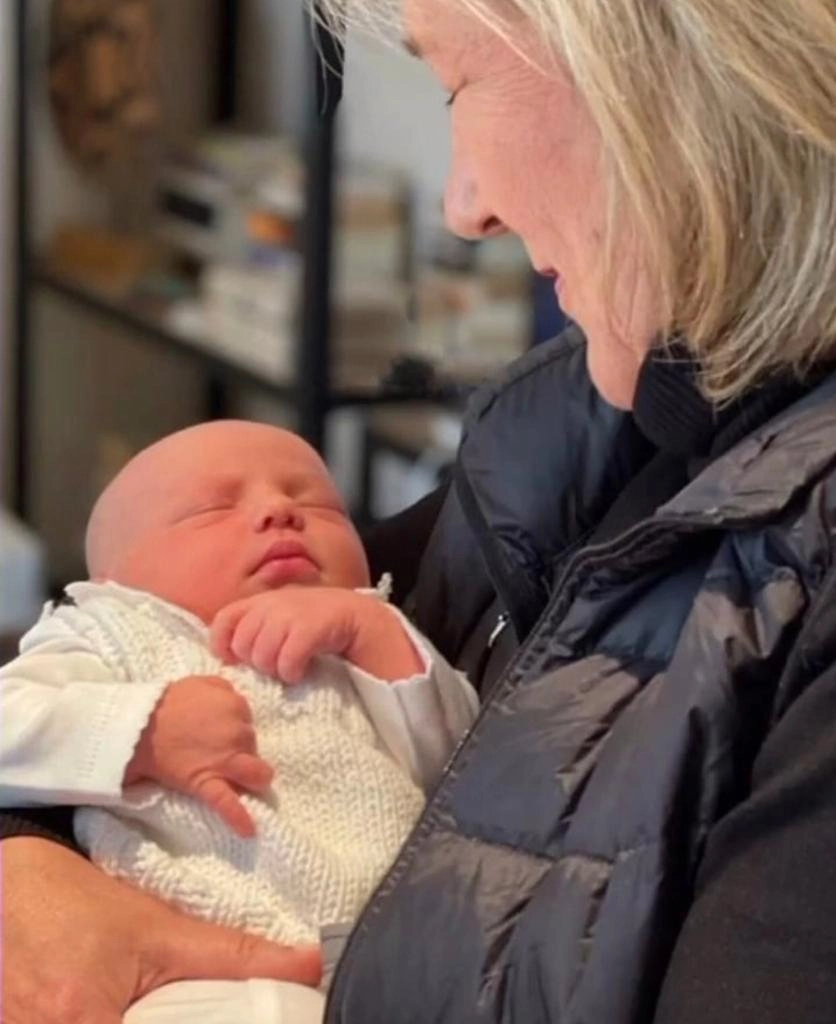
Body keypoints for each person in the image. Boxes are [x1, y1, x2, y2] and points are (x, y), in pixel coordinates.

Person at [5, 0, 836, 1020]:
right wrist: (32, 862)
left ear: (664, 81)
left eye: (459, 84)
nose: (462, 206)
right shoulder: (570, 445)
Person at [0, 420, 478, 1023]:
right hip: (180, 974)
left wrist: (377, 637)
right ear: (110, 582)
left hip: (386, 974)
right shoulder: (109, 636)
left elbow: (467, 767)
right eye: (212, 509)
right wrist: (141, 732)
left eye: (320, 506)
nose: (282, 512)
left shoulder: (363, 634)